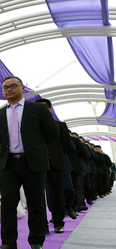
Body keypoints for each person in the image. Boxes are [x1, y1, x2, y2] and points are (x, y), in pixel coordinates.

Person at [0, 76, 59, 249]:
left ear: (22, 88)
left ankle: (37, 241)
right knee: (7, 203)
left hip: (33, 162)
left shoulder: (37, 109)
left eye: (13, 86)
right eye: (5, 87)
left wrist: (36, 148)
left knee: (36, 202)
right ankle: (8, 243)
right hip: (9, 164)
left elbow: (52, 133)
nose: (8, 89)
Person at [35, 98, 71, 234]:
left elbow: (66, 146)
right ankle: (42, 225)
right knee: (38, 195)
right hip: (37, 163)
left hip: (55, 163)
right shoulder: (31, 127)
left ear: (50, 110)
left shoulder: (60, 126)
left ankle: (58, 222)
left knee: (57, 194)